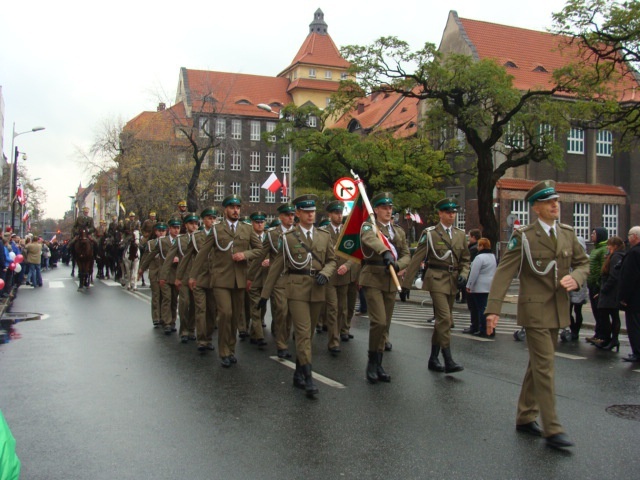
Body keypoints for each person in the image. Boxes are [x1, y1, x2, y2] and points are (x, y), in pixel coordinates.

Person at [485, 180, 589, 449]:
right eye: (548, 202)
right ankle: (552, 427)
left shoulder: (567, 233)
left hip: (558, 309)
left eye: (556, 200)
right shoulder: (525, 237)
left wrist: (576, 278)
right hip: (534, 310)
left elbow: (583, 262)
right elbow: (505, 271)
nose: (555, 205)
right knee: (545, 366)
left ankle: (525, 415)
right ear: (536, 208)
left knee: (538, 364)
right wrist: (493, 309)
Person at [258, 194, 337, 398]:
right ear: (299, 214)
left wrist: (325, 274)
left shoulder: (324, 235)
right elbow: (276, 267)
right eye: (307, 212)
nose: (311, 215)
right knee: (302, 333)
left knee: (309, 335)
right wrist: (264, 295)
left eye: (313, 212)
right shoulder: (289, 238)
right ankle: (309, 379)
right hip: (296, 289)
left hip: (317, 288)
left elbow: (331, 261)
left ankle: (298, 372)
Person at [190, 195, 262, 367]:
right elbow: (202, 254)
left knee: (236, 316)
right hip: (221, 278)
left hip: (239, 279)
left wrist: (245, 255)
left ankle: (231, 349)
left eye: (238, 207)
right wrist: (193, 275)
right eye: (232, 207)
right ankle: (223, 351)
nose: (235, 210)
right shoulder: (216, 230)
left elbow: (259, 249)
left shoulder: (247, 229)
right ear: (225, 210)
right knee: (225, 313)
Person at [402, 197, 470, 373]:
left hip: (453, 280)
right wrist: (406, 284)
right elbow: (417, 258)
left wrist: (463, 275)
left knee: (442, 322)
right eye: (448, 212)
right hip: (436, 279)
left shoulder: (460, 235)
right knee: (446, 320)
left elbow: (466, 260)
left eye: (454, 212)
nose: (451, 215)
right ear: (440, 214)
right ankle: (448, 359)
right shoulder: (430, 234)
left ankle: (433, 358)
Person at [360, 192, 411, 383]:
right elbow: (369, 239)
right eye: (384, 208)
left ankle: (379, 363)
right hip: (373, 277)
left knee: (386, 325)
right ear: (376, 210)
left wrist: (399, 265)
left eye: (390, 208)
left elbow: (406, 253)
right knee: (379, 321)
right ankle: (371, 362)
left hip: (390, 279)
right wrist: (385, 252)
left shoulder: (398, 231)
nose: (388, 211)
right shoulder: (369, 227)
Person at [250, 203, 296, 358]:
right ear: (281, 217)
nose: (291, 217)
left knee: (290, 313)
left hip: (296, 279)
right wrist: (250, 277)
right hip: (278, 278)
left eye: (292, 215)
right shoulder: (271, 235)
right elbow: (260, 256)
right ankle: (281, 345)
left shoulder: (299, 233)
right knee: (281, 310)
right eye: (287, 215)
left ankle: (283, 337)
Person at [160, 212, 199, 343]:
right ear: (186, 225)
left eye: (196, 224)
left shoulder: (202, 238)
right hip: (183, 276)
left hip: (198, 276)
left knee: (194, 304)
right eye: (191, 224)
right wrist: (163, 276)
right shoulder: (180, 239)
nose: (194, 226)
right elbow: (169, 258)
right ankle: (184, 330)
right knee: (184, 303)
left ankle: (192, 329)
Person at [139, 217, 182, 333]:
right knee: (165, 298)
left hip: (177, 274)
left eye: (178, 228)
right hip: (165, 274)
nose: (176, 230)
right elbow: (150, 255)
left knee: (174, 299)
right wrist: (142, 268)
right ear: (170, 229)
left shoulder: (182, 240)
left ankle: (172, 321)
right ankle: (164, 321)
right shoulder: (161, 242)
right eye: (174, 228)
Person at [322, 200, 353, 355]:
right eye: (336, 213)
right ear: (330, 215)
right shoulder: (324, 232)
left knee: (342, 308)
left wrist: (347, 266)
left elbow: (353, 253)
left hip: (344, 274)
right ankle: (333, 341)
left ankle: (341, 331)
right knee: (333, 308)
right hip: (330, 276)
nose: (339, 216)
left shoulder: (347, 231)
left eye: (341, 213)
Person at [596, 236, 625, 352]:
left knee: (606, 315)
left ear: (615, 246)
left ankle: (611, 339)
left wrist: (604, 290)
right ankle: (611, 340)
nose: (608, 247)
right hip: (613, 292)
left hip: (610, 292)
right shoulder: (617, 256)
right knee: (612, 315)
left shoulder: (616, 257)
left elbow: (613, 276)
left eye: (610, 245)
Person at [245, 211, 268, 346]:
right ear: (252, 223)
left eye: (262, 222)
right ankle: (259, 336)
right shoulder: (247, 237)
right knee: (254, 306)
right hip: (252, 275)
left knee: (262, 306)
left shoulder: (268, 237)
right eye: (257, 222)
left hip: (266, 276)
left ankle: (254, 332)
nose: (260, 224)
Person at [465, 237, 497, 338]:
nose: (478, 247)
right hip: (490, 285)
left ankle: (483, 329)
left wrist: (469, 285)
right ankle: (491, 329)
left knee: (481, 309)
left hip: (479, 287)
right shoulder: (492, 256)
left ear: (482, 246)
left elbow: (474, 273)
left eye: (479, 245)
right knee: (487, 309)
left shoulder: (479, 258)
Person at [139, 222, 168, 327]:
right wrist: (141, 269)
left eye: (163, 231)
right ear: (156, 232)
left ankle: (164, 317)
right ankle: (156, 317)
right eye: (159, 231)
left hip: (166, 273)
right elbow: (146, 258)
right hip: (155, 272)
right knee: (156, 295)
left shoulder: (170, 242)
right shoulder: (151, 243)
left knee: (165, 296)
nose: (161, 233)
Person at [618, 226, 640, 362]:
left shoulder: (634, 253)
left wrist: (623, 297)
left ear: (635, 237)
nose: (628, 238)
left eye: (629, 235)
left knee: (634, 326)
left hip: (634, 297)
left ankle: (637, 352)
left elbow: (629, 277)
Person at [562, 237, 588, 342]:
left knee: (578, 310)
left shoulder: (585, 258)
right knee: (568, 311)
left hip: (579, 288)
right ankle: (573, 329)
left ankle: (576, 332)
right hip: (569, 288)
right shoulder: (568, 258)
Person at [586, 227, 609, 346]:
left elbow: (603, 269)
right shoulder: (596, 249)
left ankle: (603, 336)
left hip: (597, 286)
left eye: (594, 233)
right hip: (592, 285)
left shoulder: (603, 250)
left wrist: (599, 286)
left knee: (601, 313)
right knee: (595, 311)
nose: (591, 235)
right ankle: (598, 334)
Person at [463, 229, 482, 334]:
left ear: (474, 237)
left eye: (469, 237)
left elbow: (470, 266)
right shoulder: (475, 248)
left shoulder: (473, 250)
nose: (468, 239)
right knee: (477, 306)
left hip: (474, 282)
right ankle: (477, 325)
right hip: (480, 284)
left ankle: (475, 326)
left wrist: (469, 283)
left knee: (473, 306)